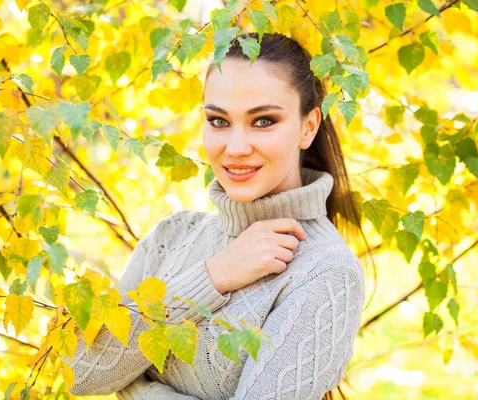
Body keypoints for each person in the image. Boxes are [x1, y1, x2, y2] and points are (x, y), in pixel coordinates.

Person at [64, 32, 366, 400]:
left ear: (308, 126)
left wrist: (135, 390)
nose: (236, 148)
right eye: (219, 121)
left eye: (264, 121)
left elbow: (106, 376)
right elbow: (76, 374)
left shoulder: (325, 271)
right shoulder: (171, 236)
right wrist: (213, 276)